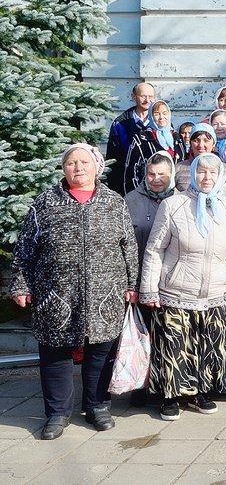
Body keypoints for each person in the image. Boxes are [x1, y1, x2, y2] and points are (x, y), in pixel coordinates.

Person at [10, 144, 138, 440]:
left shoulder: (113, 202)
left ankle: (97, 406)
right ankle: (57, 413)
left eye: (84, 162)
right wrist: (20, 284)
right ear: (63, 168)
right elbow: (25, 248)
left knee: (101, 352)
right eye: (71, 163)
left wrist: (132, 284)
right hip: (56, 294)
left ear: (96, 167)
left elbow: (128, 246)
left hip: (104, 293)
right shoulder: (44, 203)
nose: (78, 168)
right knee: (56, 353)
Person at [141, 153, 226, 422]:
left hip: (215, 292)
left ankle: (200, 393)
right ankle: (170, 397)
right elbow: (154, 249)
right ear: (192, 174)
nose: (206, 177)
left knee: (207, 345)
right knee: (175, 345)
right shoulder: (174, 205)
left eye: (212, 172)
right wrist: (149, 289)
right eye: (201, 172)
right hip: (177, 289)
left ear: (219, 176)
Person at [124, 150, 177, 407]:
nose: (156, 179)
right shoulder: (131, 200)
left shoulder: (181, 200)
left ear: (172, 175)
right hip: (139, 279)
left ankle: (164, 383)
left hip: (169, 282)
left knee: (166, 335)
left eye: (162, 175)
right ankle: (141, 384)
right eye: (151, 174)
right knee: (142, 335)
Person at [118, 100, 187, 196]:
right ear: (150, 116)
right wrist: (136, 196)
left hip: (175, 194)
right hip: (148, 194)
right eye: (157, 114)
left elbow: (184, 165)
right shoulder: (141, 139)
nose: (161, 117)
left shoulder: (177, 138)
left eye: (164, 113)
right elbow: (131, 172)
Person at [107, 82, 157, 195]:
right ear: (134, 97)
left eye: (151, 97)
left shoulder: (161, 122)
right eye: (143, 96)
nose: (147, 100)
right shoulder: (120, 123)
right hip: (128, 183)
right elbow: (113, 159)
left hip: (156, 181)